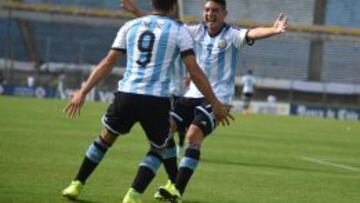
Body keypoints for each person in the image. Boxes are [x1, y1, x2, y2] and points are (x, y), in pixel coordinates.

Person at [61, 0, 232, 203]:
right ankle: (132, 196)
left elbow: (108, 62)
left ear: (152, 4)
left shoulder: (130, 26)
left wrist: (83, 91)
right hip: (156, 99)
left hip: (126, 94)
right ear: (173, 8)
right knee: (159, 147)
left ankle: (76, 184)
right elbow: (194, 70)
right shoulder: (179, 31)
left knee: (105, 138)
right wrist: (215, 103)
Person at [122, 0, 288, 202]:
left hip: (217, 99)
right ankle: (173, 182)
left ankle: (177, 190)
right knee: (164, 133)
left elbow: (253, 33)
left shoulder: (232, 35)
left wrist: (274, 29)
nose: (210, 13)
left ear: (224, 13)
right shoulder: (193, 32)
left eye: (215, 10)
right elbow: (164, 27)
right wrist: (137, 12)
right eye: (207, 10)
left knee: (193, 136)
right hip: (190, 95)